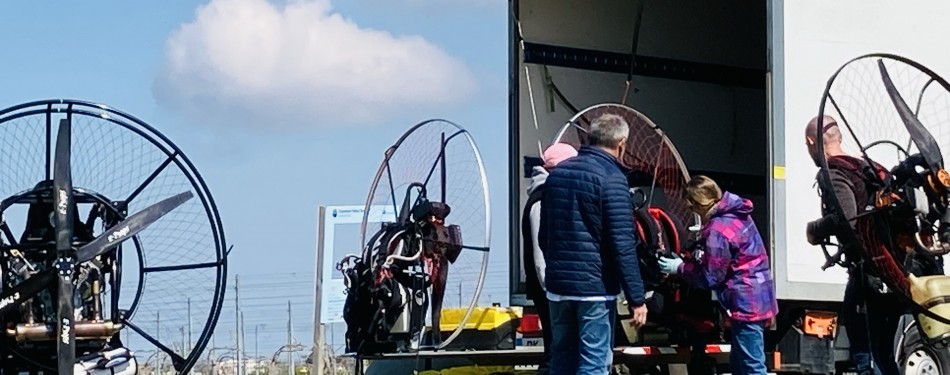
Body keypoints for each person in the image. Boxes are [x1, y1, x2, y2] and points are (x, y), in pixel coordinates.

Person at [802, 115, 917, 375]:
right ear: (839, 137)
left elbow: (847, 218)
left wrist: (814, 230)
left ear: (811, 141)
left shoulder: (833, 171)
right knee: (885, 353)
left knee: (867, 354)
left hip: (868, 274)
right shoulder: (868, 167)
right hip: (894, 270)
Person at [539, 113, 648, 375]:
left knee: (562, 359)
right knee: (594, 362)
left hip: (558, 287)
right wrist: (636, 298)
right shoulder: (613, 179)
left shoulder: (556, 175)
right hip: (594, 289)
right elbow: (622, 245)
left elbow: (545, 235)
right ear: (621, 143)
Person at [658, 175, 778, 375]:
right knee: (740, 363)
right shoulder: (737, 214)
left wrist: (679, 267)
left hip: (745, 303)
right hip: (758, 295)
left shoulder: (718, 230)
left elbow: (710, 277)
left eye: (692, 208)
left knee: (751, 366)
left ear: (699, 204)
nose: (693, 212)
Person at [522, 142, 578, 375]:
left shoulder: (548, 194)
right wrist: (551, 288)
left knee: (561, 349)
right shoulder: (542, 200)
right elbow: (539, 254)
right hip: (550, 290)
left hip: (554, 288)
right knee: (557, 349)